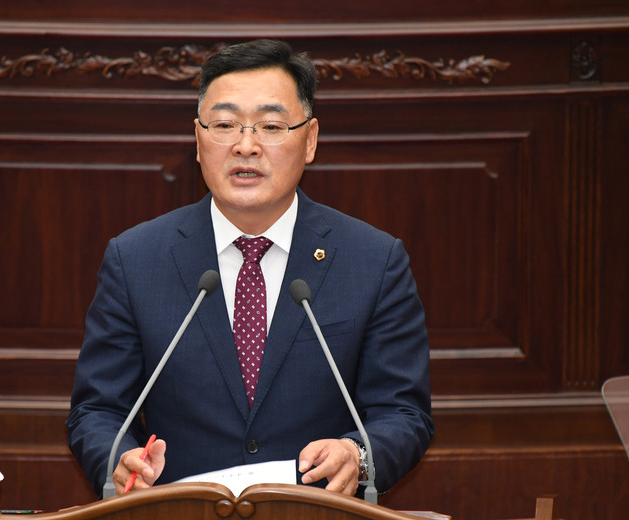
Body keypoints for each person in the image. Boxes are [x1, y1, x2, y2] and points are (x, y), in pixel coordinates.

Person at [66, 39, 434, 499]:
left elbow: (403, 413)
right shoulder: (136, 258)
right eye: (224, 125)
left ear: (310, 140)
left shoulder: (373, 260)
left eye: (271, 126)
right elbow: (97, 411)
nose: (246, 146)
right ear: (198, 139)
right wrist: (120, 459)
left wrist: (357, 454)